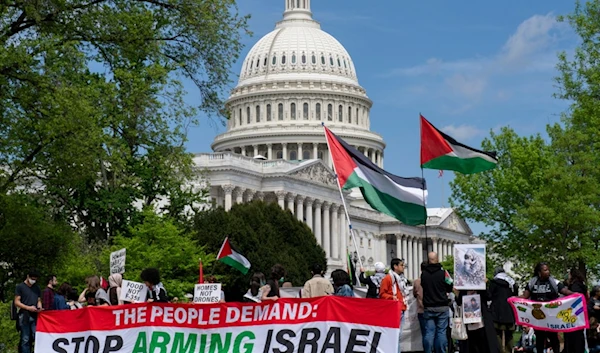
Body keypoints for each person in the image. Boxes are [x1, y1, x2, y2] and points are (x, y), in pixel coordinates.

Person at [521, 262, 572, 353]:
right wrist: (513, 298)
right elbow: (525, 296)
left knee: (553, 337)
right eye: (545, 270)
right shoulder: (532, 282)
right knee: (539, 338)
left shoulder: (554, 282)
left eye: (548, 269)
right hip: (538, 316)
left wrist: (575, 294)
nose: (548, 272)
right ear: (539, 272)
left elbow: (564, 291)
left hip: (551, 315)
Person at [421, 252, 453, 353]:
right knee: (441, 332)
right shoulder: (444, 273)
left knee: (429, 332)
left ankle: (428, 351)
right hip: (442, 305)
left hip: (428, 306)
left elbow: (423, 286)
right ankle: (441, 351)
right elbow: (450, 285)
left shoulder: (424, 274)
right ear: (437, 259)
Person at [379, 258, 408, 353]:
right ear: (395, 266)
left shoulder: (402, 279)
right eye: (401, 265)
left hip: (401, 308)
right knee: (396, 336)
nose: (403, 267)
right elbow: (382, 294)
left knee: (398, 336)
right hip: (394, 309)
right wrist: (392, 297)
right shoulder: (388, 278)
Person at [489, 267, 519, 353]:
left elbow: (489, 296)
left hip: (497, 312)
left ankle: (499, 351)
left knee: (497, 334)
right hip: (510, 312)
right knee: (509, 335)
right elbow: (515, 296)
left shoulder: (494, 282)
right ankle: (509, 351)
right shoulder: (512, 283)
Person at [15, 270, 42, 353]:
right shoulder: (20, 287)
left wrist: (39, 306)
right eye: (32, 279)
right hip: (24, 315)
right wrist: (28, 307)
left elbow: (38, 300)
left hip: (35, 315)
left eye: (35, 279)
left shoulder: (36, 288)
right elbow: (16, 302)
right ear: (28, 277)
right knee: (25, 338)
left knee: (36, 336)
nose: (33, 281)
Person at [564, 269, 587, 353]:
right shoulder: (581, 285)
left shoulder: (575, 286)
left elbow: (574, 299)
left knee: (573, 340)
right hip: (579, 316)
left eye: (569, 274)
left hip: (574, 317)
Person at [413, 261, 429, 344]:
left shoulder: (416, 282)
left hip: (421, 309)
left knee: (425, 333)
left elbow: (414, 294)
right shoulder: (432, 280)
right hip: (431, 308)